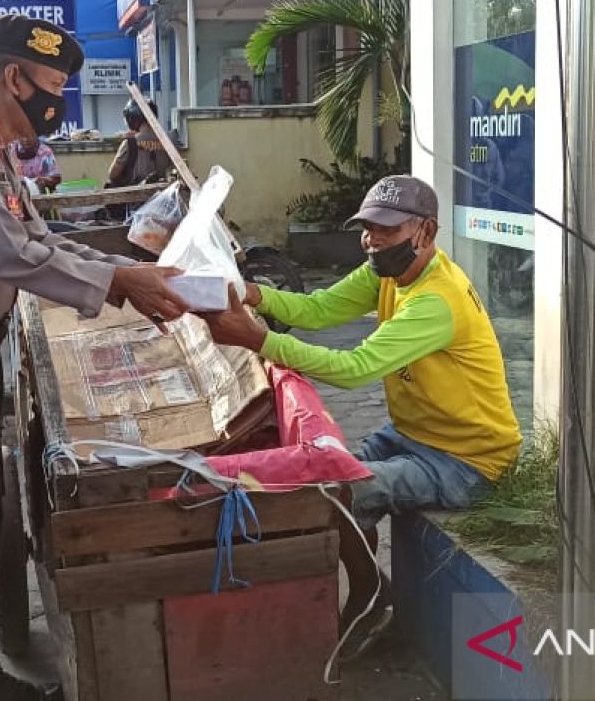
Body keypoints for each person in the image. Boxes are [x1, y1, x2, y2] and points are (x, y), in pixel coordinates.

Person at [0, 13, 188, 701]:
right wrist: (120, 283)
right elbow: (8, 256)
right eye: (52, 86)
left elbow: (43, 241)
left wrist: (126, 272)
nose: (57, 104)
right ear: (13, 78)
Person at [198, 175, 522, 655]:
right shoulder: (387, 272)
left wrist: (257, 340)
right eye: (366, 228)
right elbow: (318, 309)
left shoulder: (436, 299)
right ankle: (368, 593)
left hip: (466, 461)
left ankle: (370, 599)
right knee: (326, 474)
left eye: (385, 230)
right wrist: (252, 294)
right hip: (411, 435)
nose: (371, 240)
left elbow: (355, 369)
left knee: (340, 492)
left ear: (425, 232)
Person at [106, 98, 172, 189]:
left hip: (136, 198)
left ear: (132, 118)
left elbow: (112, 174)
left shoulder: (130, 143)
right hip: (161, 195)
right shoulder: (167, 141)